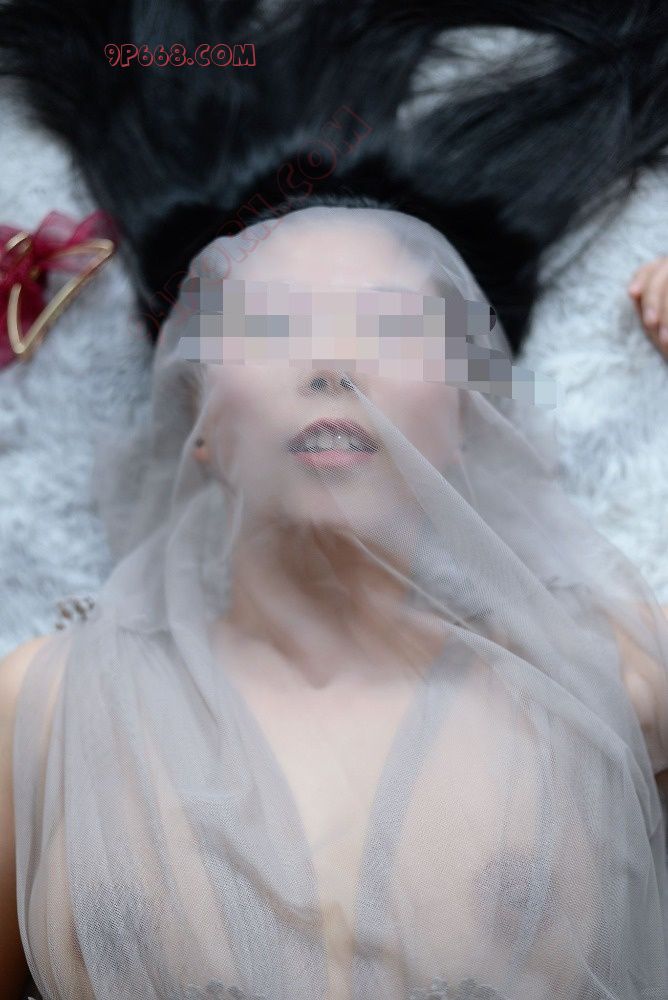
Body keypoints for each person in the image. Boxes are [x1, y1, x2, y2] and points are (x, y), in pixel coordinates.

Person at [0, 3, 668, 999]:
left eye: (392, 328)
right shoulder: (41, 709)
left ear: (468, 412)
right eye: (271, 328)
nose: (331, 367)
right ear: (196, 417)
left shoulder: (608, 675)